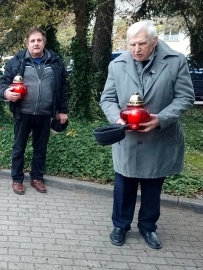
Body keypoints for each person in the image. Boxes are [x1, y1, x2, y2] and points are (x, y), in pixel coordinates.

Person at [100, 20, 195, 249]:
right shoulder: (118, 64)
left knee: (153, 188)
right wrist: (117, 119)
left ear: (154, 41)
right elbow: (108, 99)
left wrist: (160, 118)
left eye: (142, 43)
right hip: (128, 139)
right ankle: (120, 226)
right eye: (132, 44)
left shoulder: (175, 62)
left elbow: (185, 97)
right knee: (123, 186)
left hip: (158, 137)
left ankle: (148, 227)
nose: (136, 49)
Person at [0, 27, 69, 195]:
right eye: (32, 41)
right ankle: (17, 180)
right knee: (19, 147)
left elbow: (63, 88)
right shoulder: (17, 61)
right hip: (23, 112)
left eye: (39, 40)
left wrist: (62, 110)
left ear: (44, 42)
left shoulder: (55, 61)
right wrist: (6, 93)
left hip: (45, 113)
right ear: (27, 43)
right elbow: (2, 84)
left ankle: (37, 178)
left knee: (40, 148)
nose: (36, 44)